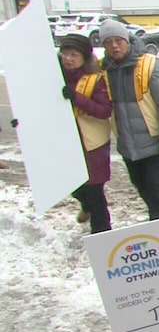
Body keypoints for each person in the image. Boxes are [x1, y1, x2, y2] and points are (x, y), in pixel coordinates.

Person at [99, 19, 159, 220]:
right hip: (127, 143)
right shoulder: (103, 69)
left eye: (118, 40)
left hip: (153, 140)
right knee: (140, 184)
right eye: (108, 42)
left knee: (154, 185)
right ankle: (158, 218)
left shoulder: (149, 64)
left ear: (127, 40)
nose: (114, 46)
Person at [58, 33, 113, 234]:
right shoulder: (54, 78)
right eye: (65, 54)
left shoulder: (95, 79)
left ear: (84, 57)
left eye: (74, 55)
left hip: (92, 144)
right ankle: (86, 205)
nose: (68, 59)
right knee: (70, 184)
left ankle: (102, 233)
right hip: (65, 141)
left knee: (95, 190)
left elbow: (104, 111)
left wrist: (76, 98)